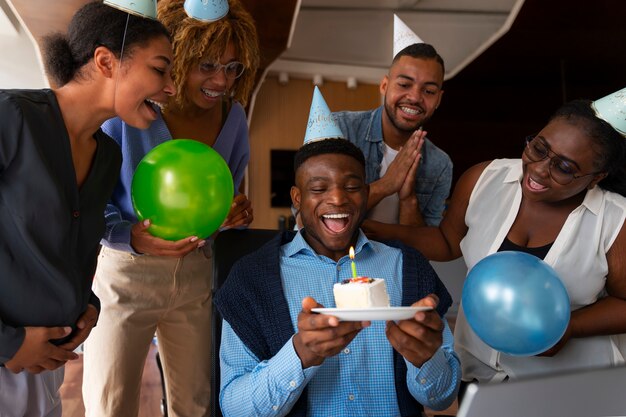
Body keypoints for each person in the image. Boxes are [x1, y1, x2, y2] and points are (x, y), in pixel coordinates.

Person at [363, 91, 626, 389]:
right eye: (539, 148)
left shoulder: (615, 219)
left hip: (570, 385)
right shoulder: (484, 179)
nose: (539, 169)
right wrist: (376, 230)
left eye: (564, 168)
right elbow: (447, 241)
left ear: (595, 177)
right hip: (480, 375)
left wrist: (567, 328)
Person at [81, 1, 260, 416]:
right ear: (177, 55)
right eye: (208, 65)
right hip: (127, 274)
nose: (221, 80)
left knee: (195, 403)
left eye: (233, 68)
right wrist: (130, 236)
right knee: (109, 402)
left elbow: (219, 201)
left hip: (196, 272)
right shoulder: (126, 114)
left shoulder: (234, 118)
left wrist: (233, 214)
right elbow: (94, 203)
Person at [0, 2, 175, 416]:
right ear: (106, 61)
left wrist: (87, 304)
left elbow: (72, 249)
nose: (170, 87)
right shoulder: (12, 118)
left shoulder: (108, 156)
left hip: (46, 370)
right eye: (160, 69)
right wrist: (8, 342)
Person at [215, 138, 461, 417]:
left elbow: (443, 397)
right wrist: (299, 355)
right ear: (297, 198)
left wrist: (427, 359)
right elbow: (235, 409)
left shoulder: (409, 267)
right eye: (319, 188)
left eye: (352, 187)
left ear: (366, 194)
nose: (337, 199)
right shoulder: (251, 279)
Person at [331, 17, 452, 227]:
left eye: (429, 91)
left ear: (439, 99)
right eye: (404, 84)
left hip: (395, 260)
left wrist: (408, 199)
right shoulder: (341, 129)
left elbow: (421, 245)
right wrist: (387, 184)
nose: (414, 97)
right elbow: (310, 217)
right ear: (384, 86)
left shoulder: (439, 164)